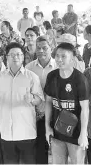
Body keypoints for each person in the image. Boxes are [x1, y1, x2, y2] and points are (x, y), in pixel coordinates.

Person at [0, 42, 44, 164]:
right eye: (11, 55)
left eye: (18, 54)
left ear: (23, 57)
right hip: (7, 131)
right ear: (6, 57)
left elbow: (39, 99)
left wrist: (32, 99)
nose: (15, 57)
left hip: (26, 131)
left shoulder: (32, 77)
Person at [44, 42, 90, 164]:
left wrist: (83, 134)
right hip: (56, 132)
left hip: (76, 134)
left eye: (63, 56)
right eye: (57, 55)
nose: (59, 59)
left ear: (73, 58)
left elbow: (85, 109)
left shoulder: (80, 79)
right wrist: (47, 127)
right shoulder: (52, 76)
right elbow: (48, 102)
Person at [25, 36, 58, 164]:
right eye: (38, 48)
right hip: (37, 114)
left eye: (45, 48)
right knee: (40, 148)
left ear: (51, 48)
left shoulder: (58, 66)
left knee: (57, 148)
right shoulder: (29, 68)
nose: (41, 51)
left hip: (56, 113)